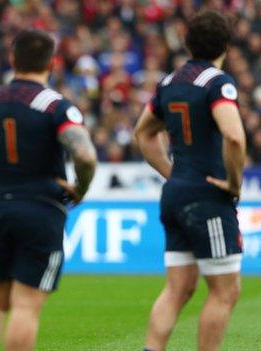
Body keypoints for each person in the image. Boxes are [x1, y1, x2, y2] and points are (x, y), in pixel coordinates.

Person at [0, 29, 97, 351]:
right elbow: (85, 154)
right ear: (52, 63)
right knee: (26, 304)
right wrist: (80, 189)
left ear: (12, 59)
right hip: (41, 210)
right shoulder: (55, 106)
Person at [133, 10, 245, 351]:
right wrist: (234, 184)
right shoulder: (217, 83)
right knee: (225, 291)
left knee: (177, 288)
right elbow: (235, 137)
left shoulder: (170, 82)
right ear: (225, 44)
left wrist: (173, 174)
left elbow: (143, 133)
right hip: (208, 194)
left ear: (187, 43)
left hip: (176, 193)